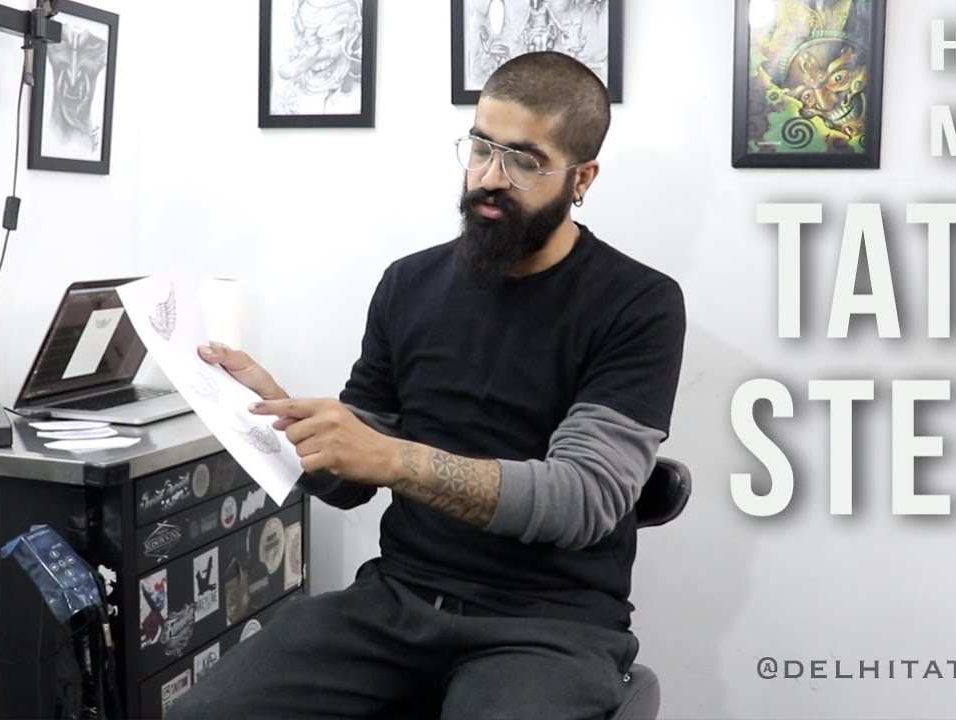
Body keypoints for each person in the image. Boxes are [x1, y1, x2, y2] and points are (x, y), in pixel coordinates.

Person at [166, 51, 686, 720]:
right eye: (481, 148)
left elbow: (582, 499)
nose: (490, 178)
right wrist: (270, 410)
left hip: (549, 626)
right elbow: (351, 480)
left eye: (525, 162)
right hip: (396, 602)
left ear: (581, 177)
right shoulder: (409, 284)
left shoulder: (637, 303)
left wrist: (393, 459)